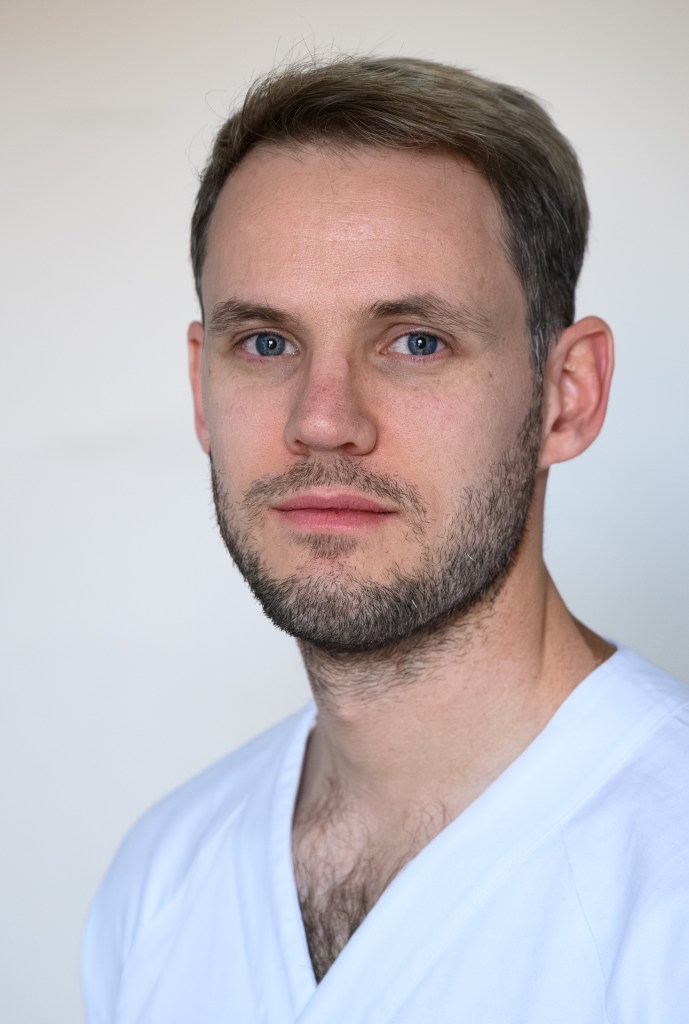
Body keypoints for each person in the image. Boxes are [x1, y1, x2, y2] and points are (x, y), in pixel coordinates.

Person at [82, 56, 689, 1023]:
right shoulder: (162, 875)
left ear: (566, 396)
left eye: (415, 341)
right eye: (266, 343)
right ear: (202, 388)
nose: (322, 421)